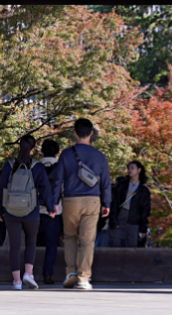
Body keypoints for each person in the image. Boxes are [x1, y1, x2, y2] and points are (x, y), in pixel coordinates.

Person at [52, 118, 112, 290]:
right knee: (87, 241)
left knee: (70, 237)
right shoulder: (99, 156)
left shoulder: (66, 154)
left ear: (75, 133)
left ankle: (70, 272)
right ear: (91, 134)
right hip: (93, 200)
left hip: (70, 199)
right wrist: (106, 203)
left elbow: (58, 181)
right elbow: (106, 183)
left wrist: (54, 202)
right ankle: (83, 278)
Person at [0, 134, 55, 290]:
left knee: (15, 246)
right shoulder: (37, 167)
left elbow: (0, 188)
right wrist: (50, 208)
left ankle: (16, 282)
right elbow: (46, 190)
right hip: (31, 211)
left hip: (11, 211)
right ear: (33, 149)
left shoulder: (9, 165)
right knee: (30, 243)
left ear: (19, 147)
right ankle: (28, 273)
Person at [37, 139, 63, 284]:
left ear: (42, 151)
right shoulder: (60, 167)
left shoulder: (35, 167)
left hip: (34, 210)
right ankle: (47, 274)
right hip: (54, 211)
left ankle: (29, 273)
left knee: (30, 243)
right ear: (57, 151)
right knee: (51, 244)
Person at [110, 161, 151, 248]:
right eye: (128, 168)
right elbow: (115, 202)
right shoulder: (121, 185)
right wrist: (113, 219)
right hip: (120, 216)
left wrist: (143, 228)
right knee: (115, 244)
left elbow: (145, 210)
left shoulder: (143, 190)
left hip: (134, 220)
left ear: (139, 170)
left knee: (132, 246)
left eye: (132, 168)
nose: (129, 170)